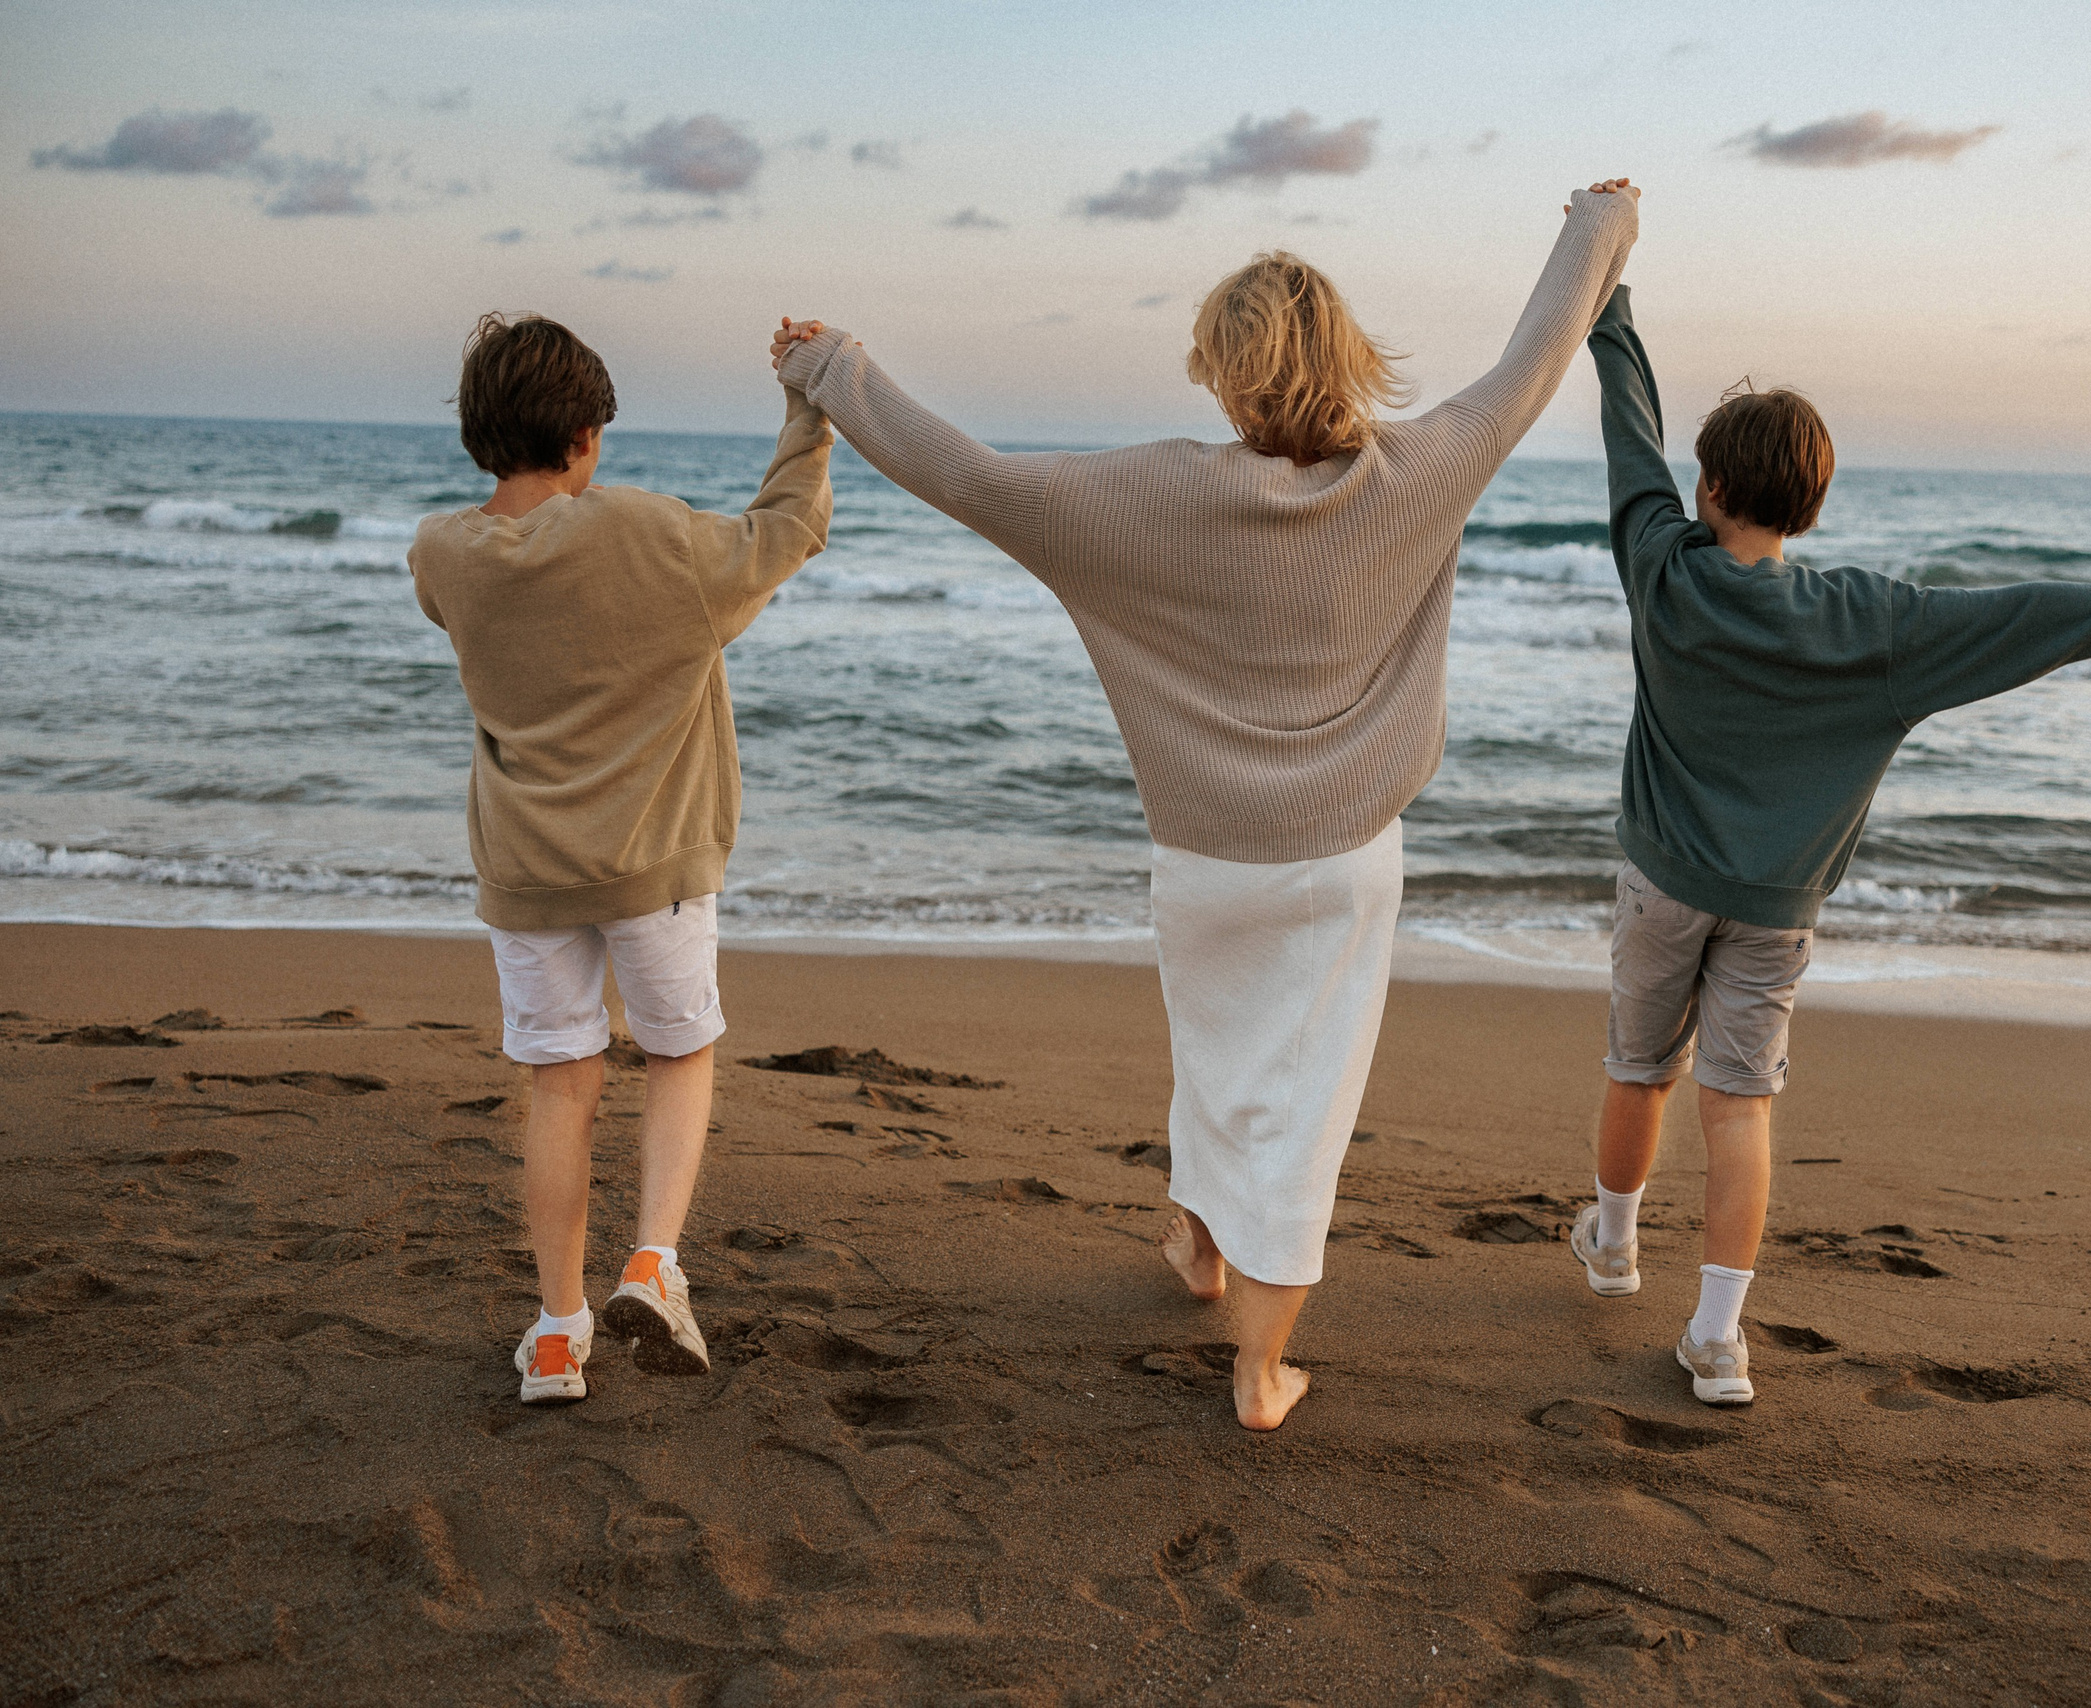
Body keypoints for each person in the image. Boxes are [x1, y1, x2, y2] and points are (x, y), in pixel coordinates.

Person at [773, 180, 1641, 1429]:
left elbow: (962, 472)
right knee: (1305, 1106)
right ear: (1344, 353)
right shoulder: (1425, 467)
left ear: (1225, 378)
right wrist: (1598, 224)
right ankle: (1258, 1368)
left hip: (1204, 863)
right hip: (1346, 860)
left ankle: (1202, 1251)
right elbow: (1537, 353)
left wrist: (828, 366)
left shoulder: (1138, 496)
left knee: (1217, 1057)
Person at [1573, 284, 2091, 1406]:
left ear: (1708, 490)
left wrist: (1611, 308)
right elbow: (2024, 614)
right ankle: (1714, 1339)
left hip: (1659, 885)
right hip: (1776, 908)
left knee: (1637, 1069)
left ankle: (1610, 1248)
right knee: (1737, 1107)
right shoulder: (1877, 625)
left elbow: (1627, 441)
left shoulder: (1660, 569)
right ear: (1813, 505)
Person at [410, 312, 833, 1404]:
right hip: (660, 871)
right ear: (589, 436)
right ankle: (652, 1265)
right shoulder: (649, 536)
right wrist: (807, 411)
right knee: (679, 1055)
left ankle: (557, 1336)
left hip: (528, 876)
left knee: (561, 1086)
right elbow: (785, 530)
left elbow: (504, 578)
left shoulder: (443, 557)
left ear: (476, 434)